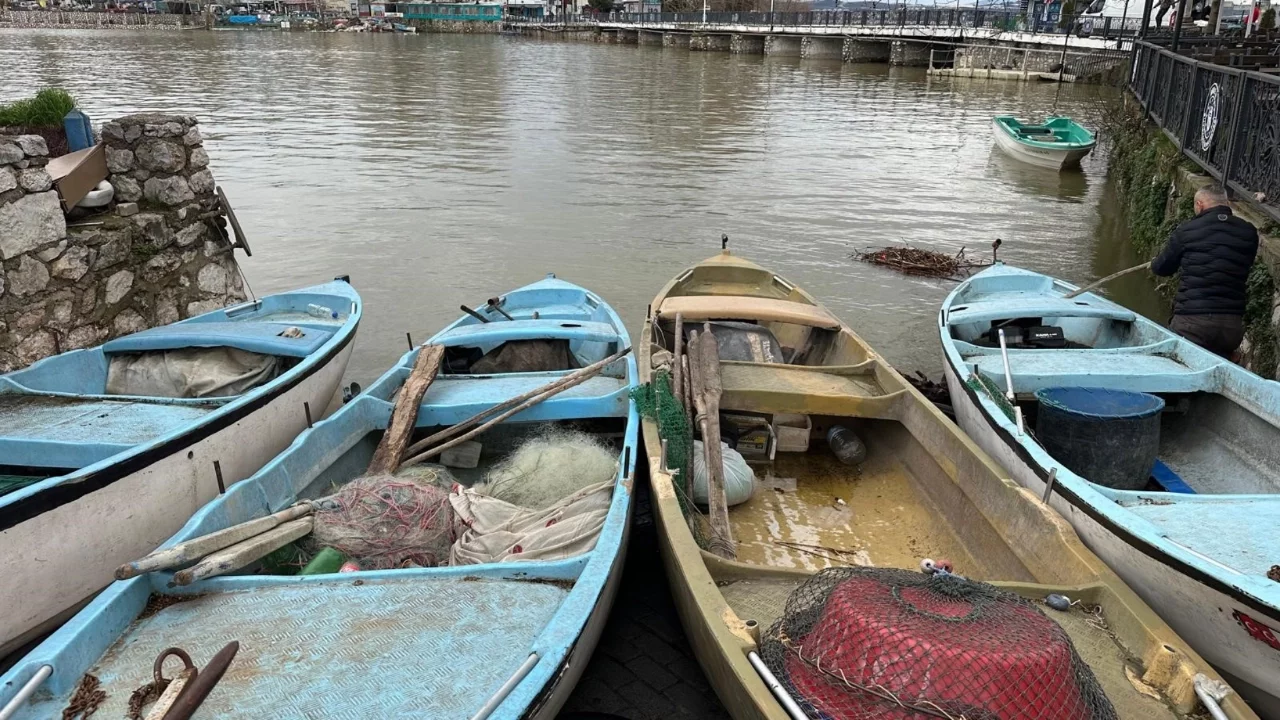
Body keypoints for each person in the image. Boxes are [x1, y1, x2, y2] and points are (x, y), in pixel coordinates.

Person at [1151, 184, 1259, 358]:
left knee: (1174, 361)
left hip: (1191, 322)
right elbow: (1245, 263)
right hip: (1231, 327)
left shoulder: (1186, 231)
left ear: (1199, 204)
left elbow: (1162, 268)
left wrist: (1154, 263)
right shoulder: (1249, 232)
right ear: (1226, 203)